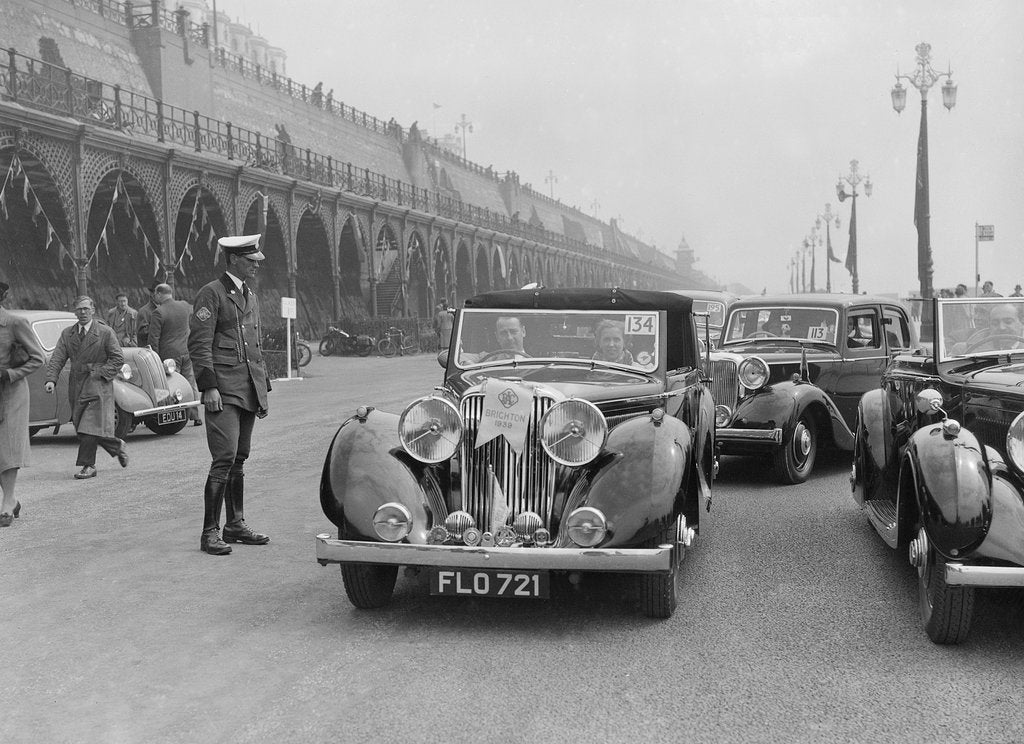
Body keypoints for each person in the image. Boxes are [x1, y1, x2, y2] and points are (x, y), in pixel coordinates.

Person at [188, 234, 272, 556]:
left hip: (247, 386)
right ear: (235, 259)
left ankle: (234, 524)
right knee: (223, 458)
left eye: (256, 261)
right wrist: (208, 385)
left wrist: (262, 383)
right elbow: (199, 343)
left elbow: (254, 342)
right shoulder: (212, 293)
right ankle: (209, 532)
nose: (256, 265)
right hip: (223, 389)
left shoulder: (248, 294)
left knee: (239, 457)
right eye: (251, 260)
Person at [44, 296, 128, 479]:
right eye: (79, 309)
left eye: (86, 309)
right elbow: (57, 357)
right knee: (81, 425)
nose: (82, 312)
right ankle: (116, 446)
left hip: (98, 385)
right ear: (75, 311)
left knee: (88, 426)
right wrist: (51, 379)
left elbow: (118, 358)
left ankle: (88, 466)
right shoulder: (68, 334)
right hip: (77, 385)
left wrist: (99, 372)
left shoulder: (105, 332)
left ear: (93, 310)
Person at [0, 281, 45, 526]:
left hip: (11, 392)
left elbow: (38, 358)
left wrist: (10, 374)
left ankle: (7, 503)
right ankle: (13, 500)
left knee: (7, 447)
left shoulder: (15, 323)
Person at [149, 283, 202, 426]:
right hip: (186, 350)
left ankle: (173, 416)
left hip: (169, 355)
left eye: (155, 294)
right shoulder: (184, 306)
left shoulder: (158, 312)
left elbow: (153, 339)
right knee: (190, 383)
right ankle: (195, 415)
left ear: (159, 294)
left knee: (171, 385)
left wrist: (155, 359)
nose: (155, 297)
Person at [954, 303, 1024, 354]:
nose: (1001, 327)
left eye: (1008, 322)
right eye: (995, 323)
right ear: (989, 326)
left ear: (1021, 323)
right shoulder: (964, 350)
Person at [135, 280, 159, 347]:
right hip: (149, 352)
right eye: (158, 293)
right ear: (152, 294)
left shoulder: (165, 309)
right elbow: (142, 333)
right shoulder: (144, 311)